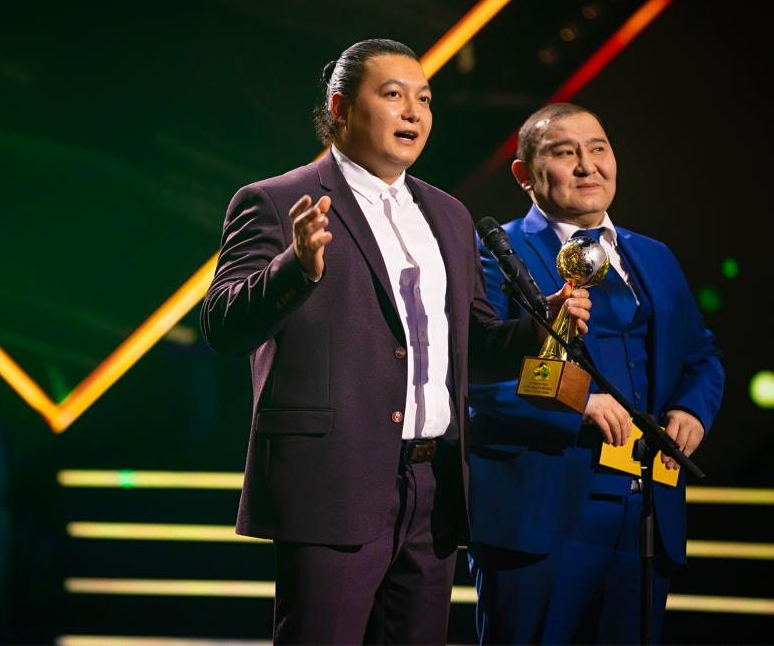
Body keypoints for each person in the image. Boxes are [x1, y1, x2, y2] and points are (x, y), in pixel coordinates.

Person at [200, 41, 591, 645]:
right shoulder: (275, 201)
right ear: (340, 108)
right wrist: (296, 268)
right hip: (333, 482)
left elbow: (475, 347)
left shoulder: (449, 215)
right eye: (393, 95)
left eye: (425, 99)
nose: (414, 112)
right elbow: (223, 327)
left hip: (433, 487)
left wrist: (539, 328)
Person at [467, 102, 725, 644]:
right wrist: (578, 401)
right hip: (543, 510)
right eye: (566, 153)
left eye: (599, 149)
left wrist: (691, 410)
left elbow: (701, 355)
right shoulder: (495, 255)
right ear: (524, 174)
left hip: (646, 510)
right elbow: (474, 374)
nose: (588, 166)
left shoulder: (654, 255)